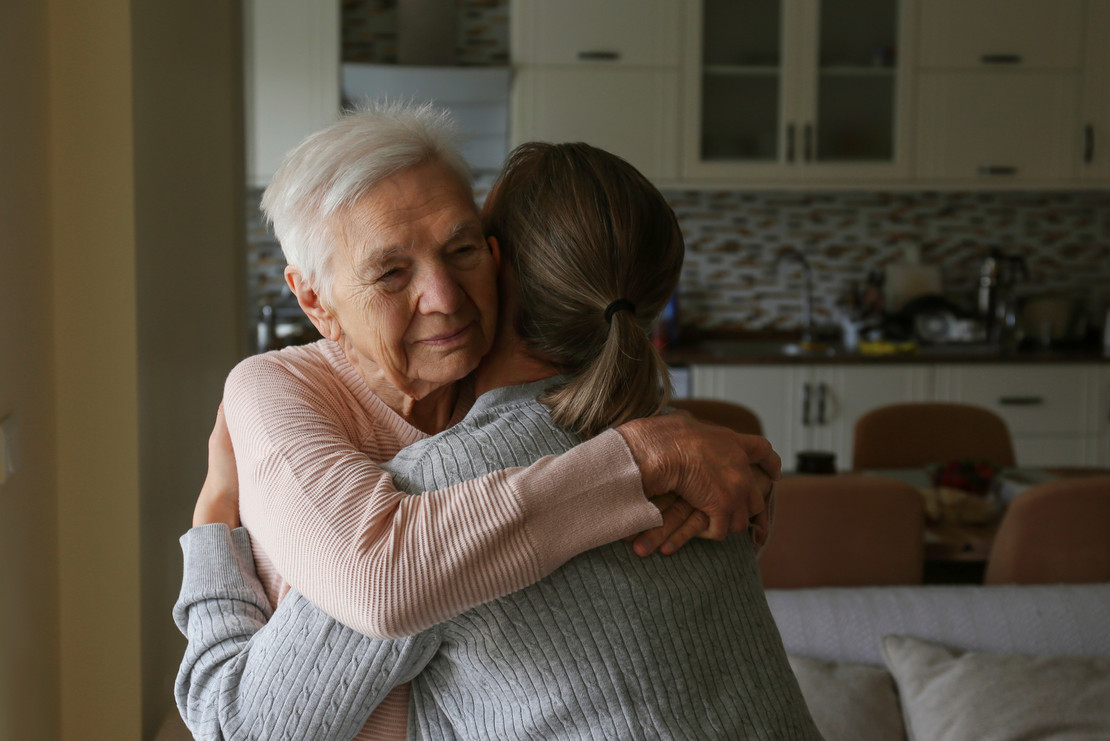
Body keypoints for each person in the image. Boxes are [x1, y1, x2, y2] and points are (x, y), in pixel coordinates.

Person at [175, 141, 820, 739]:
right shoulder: (704, 460)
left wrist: (212, 524)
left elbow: (238, 727)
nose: (443, 296)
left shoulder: (434, 506)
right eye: (393, 272)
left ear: (501, 266)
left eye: (463, 249)